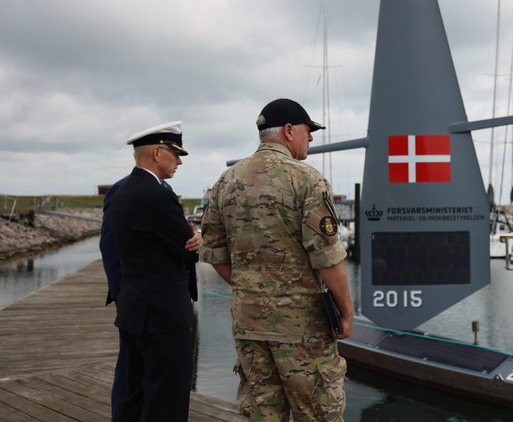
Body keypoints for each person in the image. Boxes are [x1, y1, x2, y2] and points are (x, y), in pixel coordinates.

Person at [200, 98, 353, 422]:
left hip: (249, 322)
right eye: (307, 130)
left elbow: (213, 253)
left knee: (262, 413)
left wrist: (252, 287)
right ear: (288, 131)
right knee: (318, 413)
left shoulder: (226, 181)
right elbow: (327, 257)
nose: (310, 137)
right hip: (302, 328)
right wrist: (347, 312)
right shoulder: (307, 180)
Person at [107, 121, 200, 422]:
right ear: (158, 152)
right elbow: (185, 250)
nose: (180, 161)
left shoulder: (121, 193)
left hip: (134, 309)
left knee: (133, 395)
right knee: (167, 400)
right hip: (164, 315)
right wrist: (198, 240)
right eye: (175, 153)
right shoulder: (158, 195)